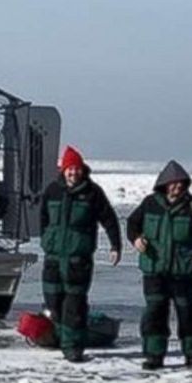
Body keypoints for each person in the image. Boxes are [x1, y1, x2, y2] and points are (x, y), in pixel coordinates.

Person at [39, 145, 122, 362]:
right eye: (69, 169)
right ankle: (60, 336)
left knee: (74, 305)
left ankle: (73, 347)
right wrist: (47, 239)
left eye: (76, 169)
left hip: (78, 259)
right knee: (53, 301)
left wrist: (115, 246)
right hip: (54, 257)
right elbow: (43, 219)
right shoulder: (52, 191)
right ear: (63, 170)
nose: (73, 173)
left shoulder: (92, 193)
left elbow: (109, 219)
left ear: (82, 169)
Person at [127, 160, 192, 370]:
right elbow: (132, 223)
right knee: (155, 312)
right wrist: (136, 239)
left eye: (181, 184)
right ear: (164, 184)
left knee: (188, 313)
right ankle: (154, 355)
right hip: (155, 270)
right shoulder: (150, 203)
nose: (177, 187)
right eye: (173, 183)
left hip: (183, 271)